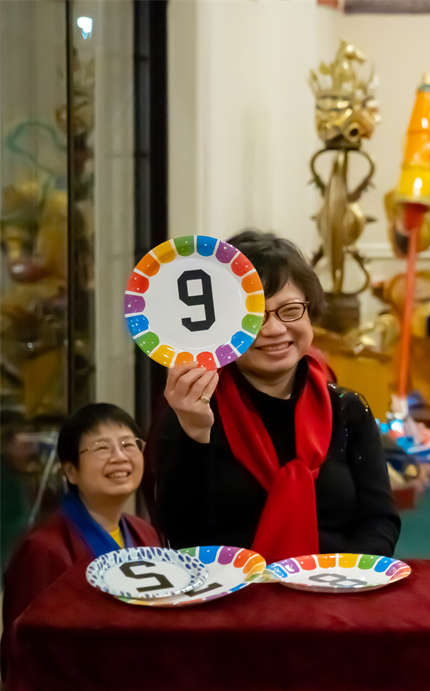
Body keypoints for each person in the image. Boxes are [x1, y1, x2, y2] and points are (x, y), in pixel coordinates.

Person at [153, 230, 399, 561]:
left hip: (336, 584)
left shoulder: (348, 410)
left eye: (290, 310)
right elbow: (180, 535)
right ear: (221, 327)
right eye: (252, 317)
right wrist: (195, 433)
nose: (273, 329)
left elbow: (379, 521)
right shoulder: (195, 408)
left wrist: (341, 579)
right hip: (235, 586)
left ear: (310, 312)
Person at [3, 404, 162, 646]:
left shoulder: (145, 533)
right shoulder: (44, 549)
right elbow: (24, 649)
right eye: (102, 448)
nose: (120, 457)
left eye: (128, 445)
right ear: (71, 471)